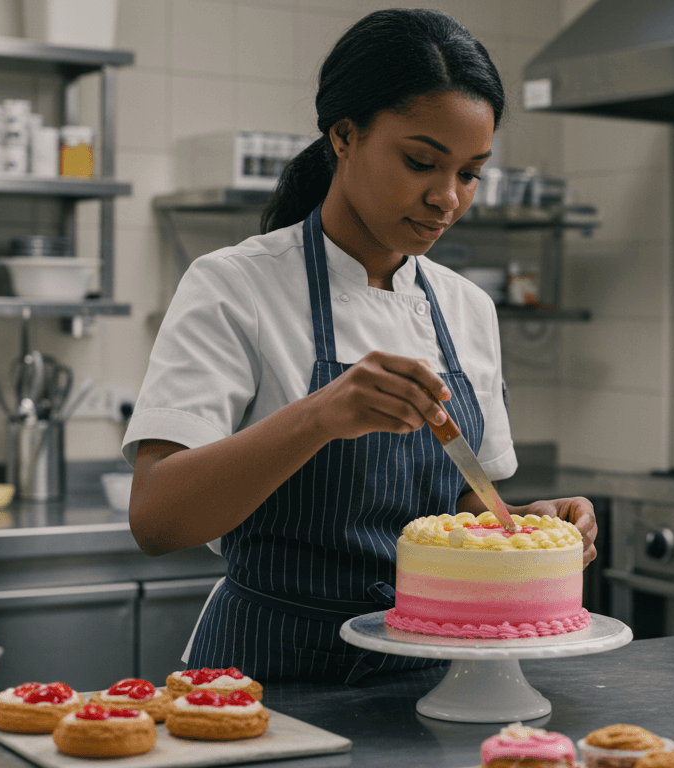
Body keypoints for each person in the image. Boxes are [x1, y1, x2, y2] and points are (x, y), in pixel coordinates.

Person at [123, 8, 599, 685]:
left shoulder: (465, 306)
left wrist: (529, 527)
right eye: (421, 162)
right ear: (344, 136)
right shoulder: (237, 285)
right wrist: (319, 415)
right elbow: (156, 518)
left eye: (470, 173)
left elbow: (460, 508)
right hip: (268, 676)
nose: (446, 198)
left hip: (433, 680)